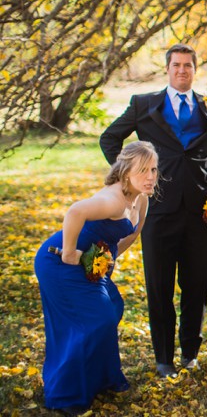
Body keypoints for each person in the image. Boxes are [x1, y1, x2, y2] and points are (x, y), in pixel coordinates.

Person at [99, 43, 207, 378]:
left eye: (188, 65)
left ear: (195, 69)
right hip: (157, 209)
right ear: (168, 68)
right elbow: (109, 139)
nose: (182, 70)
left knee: (197, 284)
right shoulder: (143, 104)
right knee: (159, 286)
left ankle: (190, 352)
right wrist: (132, 177)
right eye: (176, 65)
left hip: (199, 211)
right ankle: (163, 357)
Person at [34, 141, 158, 413]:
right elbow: (75, 212)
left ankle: (99, 378)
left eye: (153, 169)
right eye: (143, 170)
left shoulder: (141, 199)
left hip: (90, 264)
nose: (151, 177)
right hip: (58, 262)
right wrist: (69, 253)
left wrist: (105, 261)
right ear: (125, 172)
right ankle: (66, 394)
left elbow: (132, 235)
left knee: (111, 309)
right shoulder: (112, 200)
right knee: (95, 321)